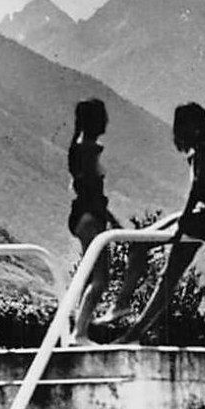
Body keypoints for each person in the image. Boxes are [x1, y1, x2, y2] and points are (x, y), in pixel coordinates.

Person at [114, 103, 205, 345]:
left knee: (165, 274)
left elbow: (198, 189)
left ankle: (128, 319)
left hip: (200, 221)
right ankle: (127, 317)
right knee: (153, 258)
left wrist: (182, 225)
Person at [66, 98, 120, 344]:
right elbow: (92, 193)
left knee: (91, 277)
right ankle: (79, 331)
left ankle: (78, 328)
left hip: (83, 217)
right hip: (90, 219)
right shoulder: (88, 150)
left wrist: (112, 219)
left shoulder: (79, 148)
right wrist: (108, 220)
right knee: (100, 278)